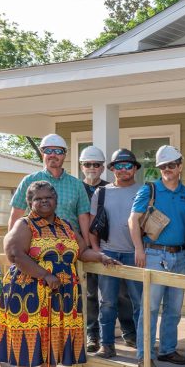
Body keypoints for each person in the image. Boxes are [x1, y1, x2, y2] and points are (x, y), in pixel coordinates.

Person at [0, 180, 117, 367]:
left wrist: (101, 257)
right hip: (28, 294)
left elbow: (81, 251)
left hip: (61, 295)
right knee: (28, 342)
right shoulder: (25, 225)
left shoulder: (66, 226)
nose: (43, 201)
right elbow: (14, 254)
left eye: (48, 198)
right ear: (30, 202)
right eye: (38, 198)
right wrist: (44, 275)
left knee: (53, 341)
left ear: (56, 201)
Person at [129, 145, 185, 367]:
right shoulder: (150, 190)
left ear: (180, 166)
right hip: (154, 254)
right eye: (163, 166)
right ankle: (144, 355)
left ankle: (167, 349)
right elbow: (133, 220)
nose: (167, 169)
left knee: (174, 309)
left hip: (180, 255)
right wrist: (139, 248)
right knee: (150, 307)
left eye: (172, 165)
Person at [89, 148, 144, 359]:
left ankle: (142, 346)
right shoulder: (101, 193)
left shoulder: (144, 191)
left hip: (134, 254)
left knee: (138, 302)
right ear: (112, 169)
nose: (123, 170)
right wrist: (97, 251)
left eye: (127, 165)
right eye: (118, 166)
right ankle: (107, 345)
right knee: (108, 302)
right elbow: (94, 225)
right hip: (108, 252)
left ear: (135, 168)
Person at [9, 133, 91, 237]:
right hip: (37, 244)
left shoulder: (77, 184)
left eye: (58, 151)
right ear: (42, 154)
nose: (53, 155)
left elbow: (83, 217)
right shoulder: (29, 180)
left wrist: (87, 246)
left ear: (64, 155)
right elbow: (16, 214)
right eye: (48, 151)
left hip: (71, 244)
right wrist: (12, 246)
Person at [79, 145, 108, 353]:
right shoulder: (76, 188)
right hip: (82, 248)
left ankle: (127, 332)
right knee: (89, 294)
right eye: (87, 164)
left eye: (96, 164)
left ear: (102, 167)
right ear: (82, 166)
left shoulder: (110, 188)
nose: (92, 168)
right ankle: (92, 334)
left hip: (107, 246)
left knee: (117, 294)